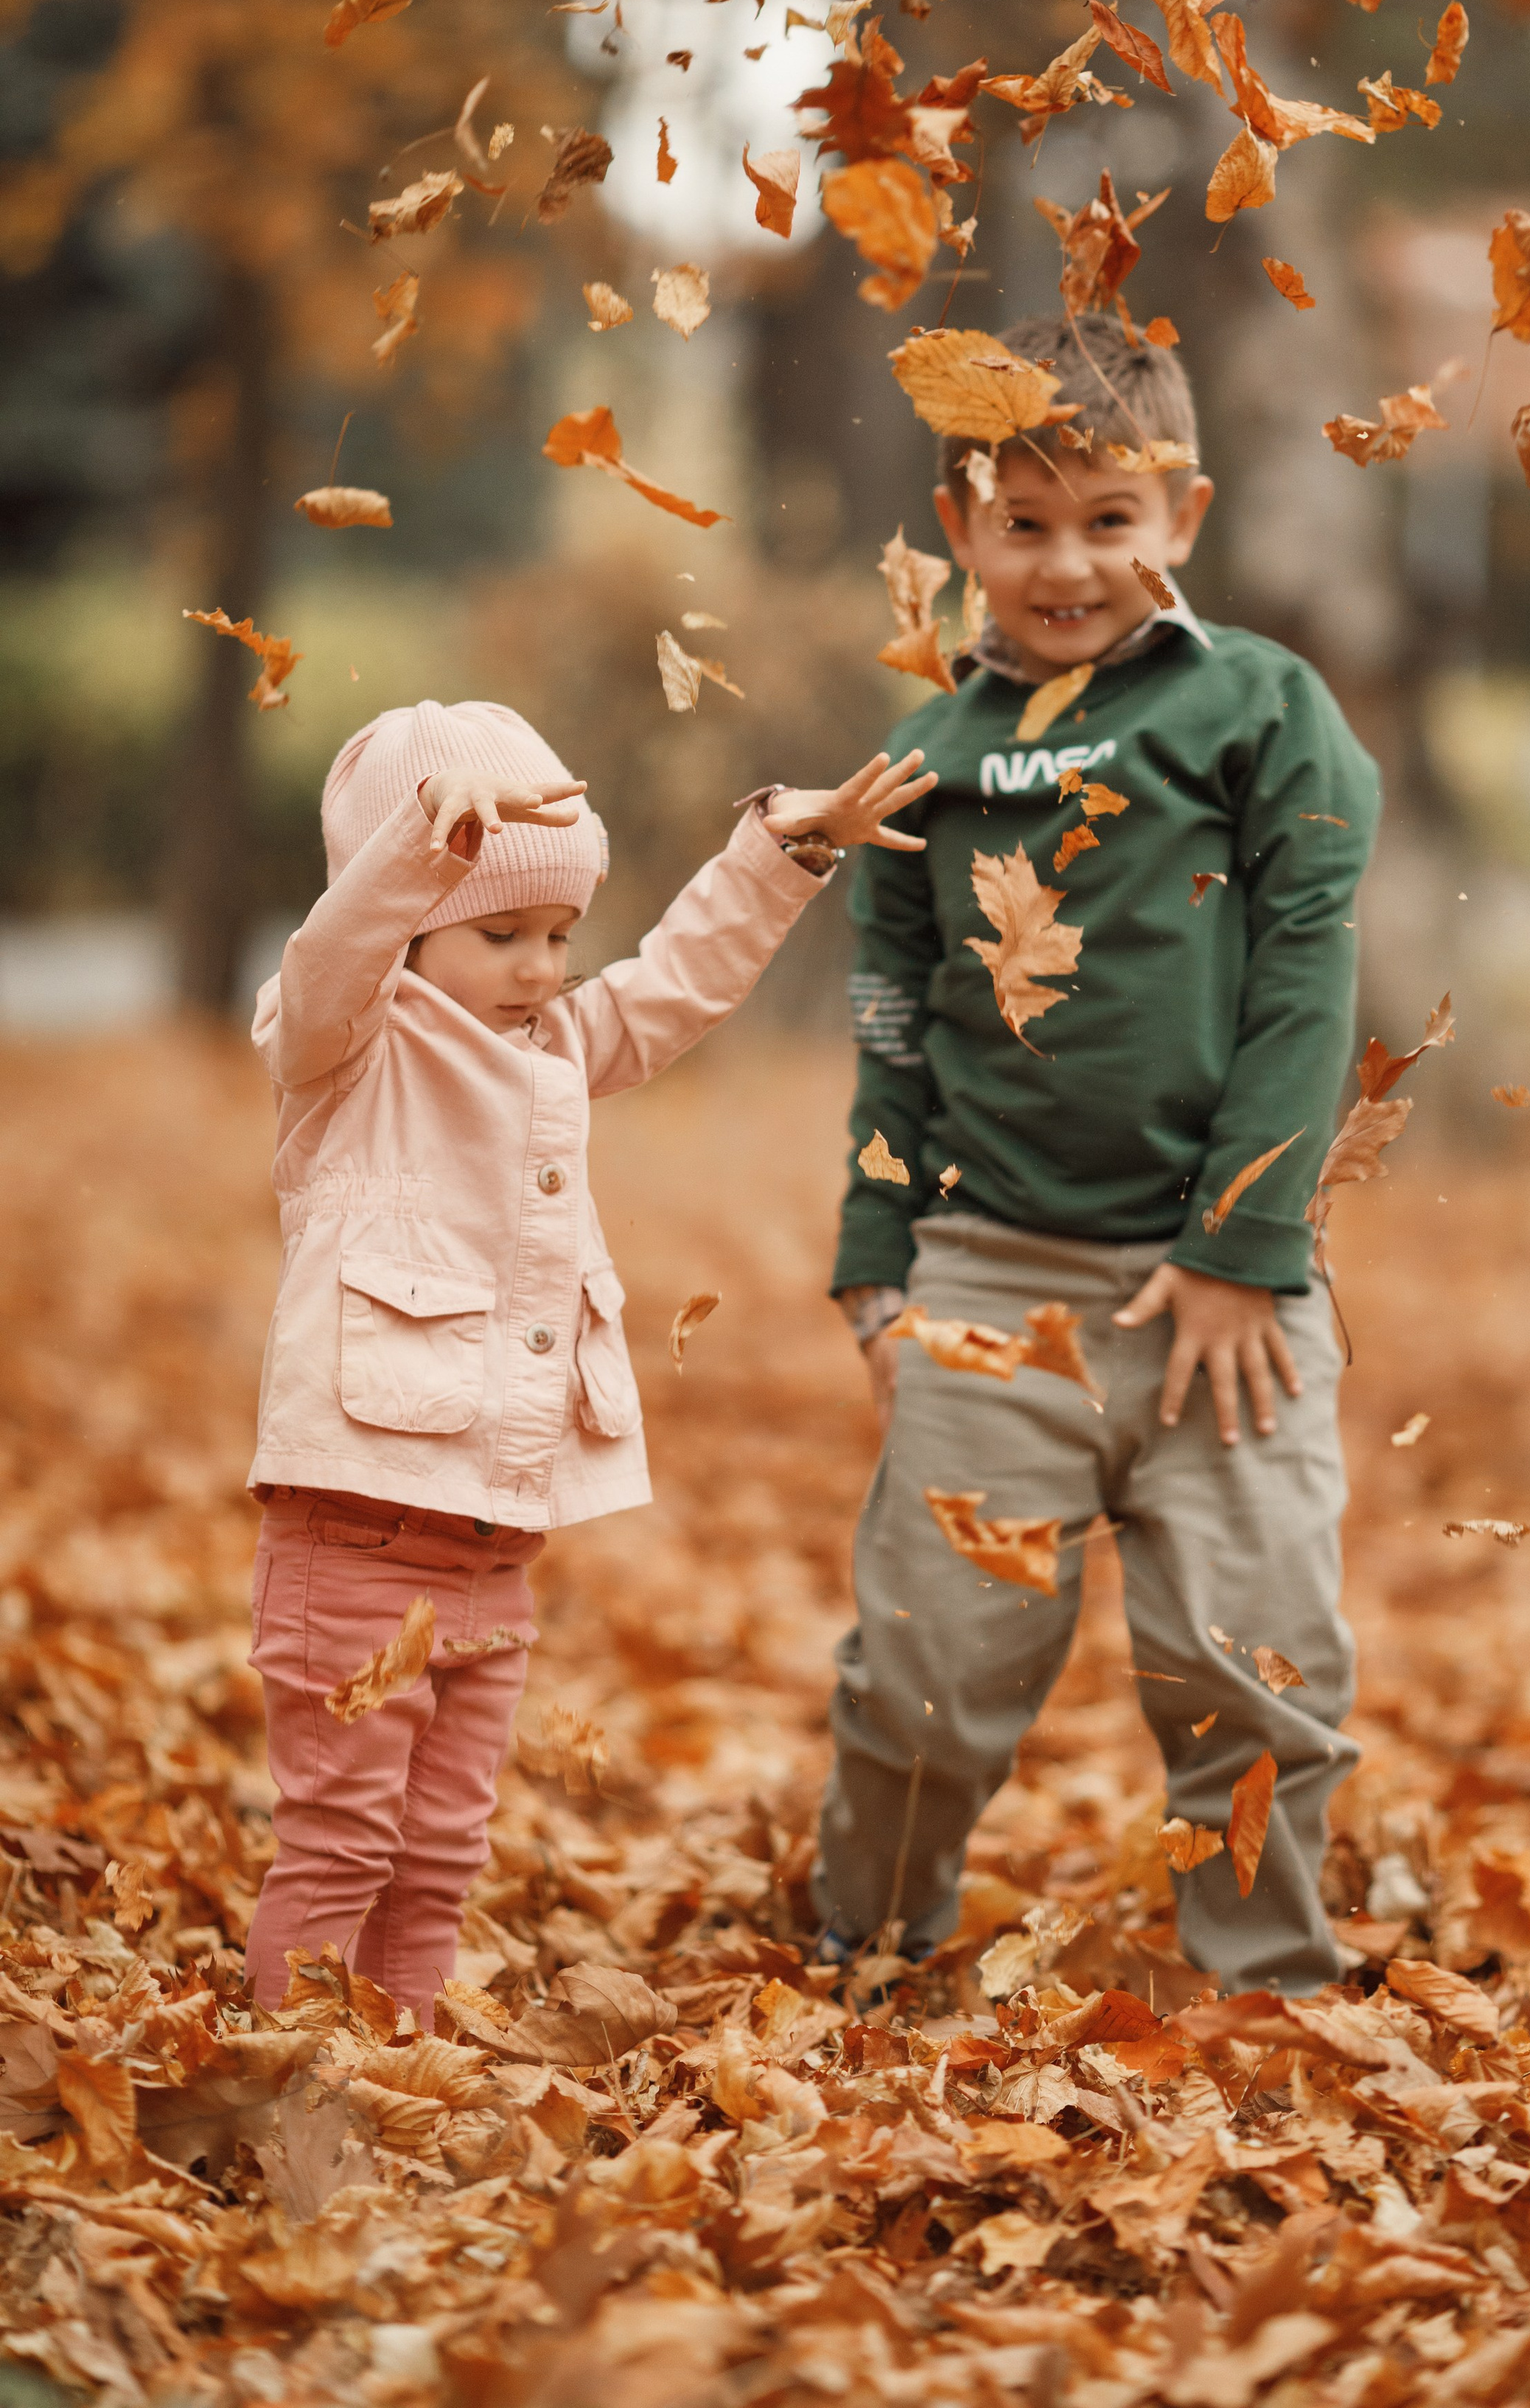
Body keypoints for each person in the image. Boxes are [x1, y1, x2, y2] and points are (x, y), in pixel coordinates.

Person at [817, 315, 1382, 1998]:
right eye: (1026, 522)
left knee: (1251, 1664)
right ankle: (869, 1944)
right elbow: (892, 1022)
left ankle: (1265, 1981)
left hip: (1225, 1288)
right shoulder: (922, 755)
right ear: (958, 525)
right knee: (927, 1670)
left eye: (1111, 519)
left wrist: (1237, 1250)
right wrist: (872, 1259)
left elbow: (1304, 980)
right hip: (988, 1276)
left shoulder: (1255, 706)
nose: (1068, 562)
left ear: (1182, 517)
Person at [243, 696, 933, 2023]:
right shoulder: (345, 1051)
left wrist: (781, 852)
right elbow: (334, 956)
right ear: (415, 911)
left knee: (441, 1849)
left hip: (494, 1539)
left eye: (558, 934)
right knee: (344, 1842)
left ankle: (408, 2067)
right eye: (500, 933)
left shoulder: (549, 1049)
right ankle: (293, 2074)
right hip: (356, 1527)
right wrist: (421, 850)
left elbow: (674, 990)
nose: (539, 966)